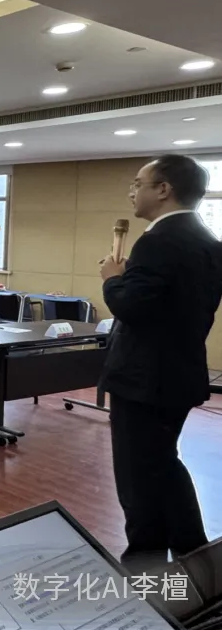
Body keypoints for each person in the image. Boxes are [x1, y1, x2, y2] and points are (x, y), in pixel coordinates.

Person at [99, 154, 222, 571]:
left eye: (138, 183)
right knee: (164, 467)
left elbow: (131, 307)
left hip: (144, 381)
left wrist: (113, 278)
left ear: (164, 189)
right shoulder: (207, 239)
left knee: (139, 480)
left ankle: (143, 570)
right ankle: (198, 561)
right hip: (179, 376)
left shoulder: (158, 241)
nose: (132, 192)